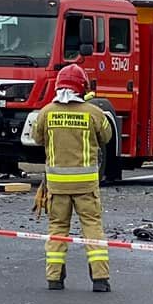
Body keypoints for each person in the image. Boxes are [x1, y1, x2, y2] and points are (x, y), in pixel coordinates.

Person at [23, 64, 114, 291]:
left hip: (57, 187)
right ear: (82, 87)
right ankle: (100, 279)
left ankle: (54, 278)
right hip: (86, 186)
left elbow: (37, 138)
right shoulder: (94, 113)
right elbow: (107, 137)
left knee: (57, 230)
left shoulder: (46, 112)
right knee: (92, 229)